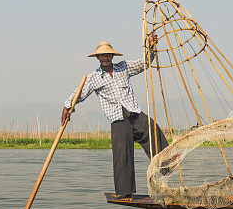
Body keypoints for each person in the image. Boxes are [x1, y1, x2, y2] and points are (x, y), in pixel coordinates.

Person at [62, 37, 168, 199]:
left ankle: (167, 166)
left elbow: (145, 63)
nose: (105, 58)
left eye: (108, 55)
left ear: (112, 56)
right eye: (102, 56)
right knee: (122, 155)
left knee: (153, 129)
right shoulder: (94, 77)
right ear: (97, 58)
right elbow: (79, 93)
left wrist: (151, 48)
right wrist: (68, 106)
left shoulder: (123, 67)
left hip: (134, 113)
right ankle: (125, 192)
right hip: (118, 119)